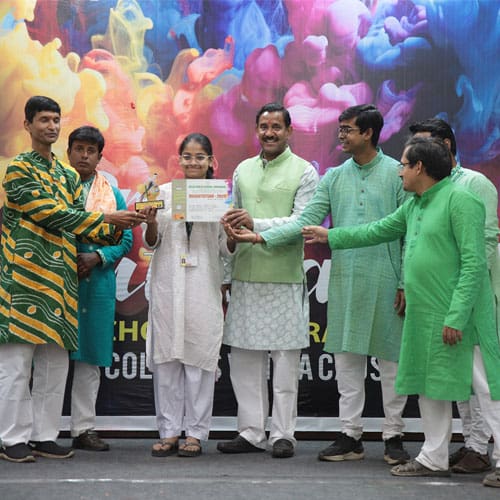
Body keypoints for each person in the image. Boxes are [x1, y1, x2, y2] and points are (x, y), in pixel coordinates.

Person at [300, 136, 500, 487]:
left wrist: (456, 316)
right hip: (426, 315)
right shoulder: (415, 205)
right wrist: (330, 236)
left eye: (405, 165)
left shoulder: (462, 199)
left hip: (463, 316)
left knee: (487, 389)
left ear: (420, 167)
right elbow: (377, 230)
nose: (399, 172)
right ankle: (433, 457)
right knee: (429, 386)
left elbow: (473, 264)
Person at [224, 104, 410, 464]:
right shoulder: (334, 177)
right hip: (345, 279)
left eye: (348, 130)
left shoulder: (396, 173)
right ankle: (350, 435)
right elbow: (305, 221)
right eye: (340, 129)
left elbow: (406, 232)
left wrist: (404, 280)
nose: (341, 135)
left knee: (391, 362)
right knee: (347, 363)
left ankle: (394, 435)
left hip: (386, 280)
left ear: (368, 133)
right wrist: (260, 236)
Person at [0, 96, 145, 463]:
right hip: (24, 280)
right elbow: (52, 214)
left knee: (54, 365)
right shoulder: (18, 169)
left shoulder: (66, 176)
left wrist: (128, 223)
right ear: (27, 125)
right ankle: (12, 437)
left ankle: (44, 435)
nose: (50, 126)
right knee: (17, 366)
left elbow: (84, 223)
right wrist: (108, 220)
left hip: (62, 283)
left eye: (55, 119)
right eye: (43, 120)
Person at [216, 103, 319, 459]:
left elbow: (302, 222)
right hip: (245, 275)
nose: (270, 133)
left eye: (276, 127)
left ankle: (283, 434)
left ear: (289, 131)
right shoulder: (242, 170)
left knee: (286, 362)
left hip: (284, 277)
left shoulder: (305, 171)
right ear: (256, 130)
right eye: (264, 126)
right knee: (244, 361)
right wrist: (226, 273)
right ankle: (250, 431)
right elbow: (232, 222)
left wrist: (256, 225)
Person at [409, 118, 498, 474]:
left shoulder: (473, 185)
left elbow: (483, 248)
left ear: (445, 146)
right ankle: (473, 446)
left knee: (484, 381)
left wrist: (459, 297)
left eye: (422, 146)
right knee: (456, 379)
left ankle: (481, 446)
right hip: (443, 300)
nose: (413, 157)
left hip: (472, 299)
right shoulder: (425, 194)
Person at [142, 133, 233, 458]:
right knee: (167, 361)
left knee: (200, 362)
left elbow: (225, 249)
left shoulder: (220, 198)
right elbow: (151, 243)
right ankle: (168, 432)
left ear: (211, 161)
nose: (193, 162)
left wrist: (233, 234)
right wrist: (151, 223)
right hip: (168, 286)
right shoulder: (163, 194)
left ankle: (195, 433)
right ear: (179, 160)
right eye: (188, 156)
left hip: (203, 287)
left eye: (200, 156)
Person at [67, 126, 133, 451]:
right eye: (78, 149)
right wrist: (70, 258)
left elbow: (127, 239)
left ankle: (83, 429)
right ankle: (40, 431)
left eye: (90, 151)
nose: (84, 155)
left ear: (99, 157)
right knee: (48, 359)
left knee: (89, 360)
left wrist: (98, 257)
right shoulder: (56, 188)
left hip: (97, 284)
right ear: (68, 153)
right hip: (58, 282)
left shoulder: (113, 194)